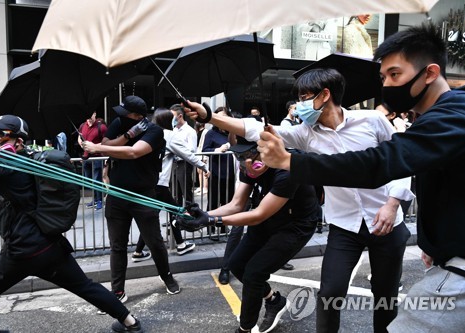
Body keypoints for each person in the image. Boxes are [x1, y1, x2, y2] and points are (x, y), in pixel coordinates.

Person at [256, 23, 465, 333]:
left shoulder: (454, 114)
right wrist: (436, 244)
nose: (387, 85)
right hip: (389, 239)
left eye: (395, 75)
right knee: (331, 293)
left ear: (431, 73)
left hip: (456, 271)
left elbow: (379, 164)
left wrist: (290, 162)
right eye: (383, 77)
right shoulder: (431, 121)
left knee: (389, 302)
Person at [183, 67, 414, 333]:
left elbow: (402, 160)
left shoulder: (372, 120)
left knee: (385, 297)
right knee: (329, 294)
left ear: (324, 95)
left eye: (305, 97)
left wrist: (392, 203)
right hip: (345, 227)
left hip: (386, 222)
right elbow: (254, 128)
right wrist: (210, 116)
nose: (300, 105)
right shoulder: (306, 133)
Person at [0, 115, 143, 333]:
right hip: (48, 246)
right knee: (85, 286)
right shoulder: (25, 159)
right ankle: (131, 323)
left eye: (0, 134)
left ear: (17, 139)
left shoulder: (9, 164)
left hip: (22, 251)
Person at [176, 142, 321, 333]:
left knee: (254, 273)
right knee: (236, 264)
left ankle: (245, 328)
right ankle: (274, 301)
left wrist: (211, 221)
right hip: (269, 219)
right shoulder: (249, 167)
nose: (244, 170)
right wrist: (203, 215)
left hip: (295, 225)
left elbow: (258, 215)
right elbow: (236, 204)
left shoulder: (287, 171)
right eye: (242, 167)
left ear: (261, 161)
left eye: (247, 166)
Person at [82, 95, 181, 301]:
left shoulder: (154, 132)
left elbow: (134, 152)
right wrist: (127, 134)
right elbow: (108, 141)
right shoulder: (120, 124)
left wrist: (98, 148)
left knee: (154, 242)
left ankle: (167, 277)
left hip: (143, 194)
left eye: (125, 114)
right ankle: (117, 291)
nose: (120, 117)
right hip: (117, 194)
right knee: (117, 245)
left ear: (137, 116)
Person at [132, 108, 210, 260]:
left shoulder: (147, 133)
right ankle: (177, 246)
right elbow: (188, 154)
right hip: (159, 184)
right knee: (172, 212)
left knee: (159, 213)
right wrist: (204, 166)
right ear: (168, 120)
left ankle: (141, 251)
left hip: (147, 181)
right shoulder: (169, 135)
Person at [202, 106, 236, 239]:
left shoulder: (231, 132)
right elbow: (205, 150)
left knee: (228, 201)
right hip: (216, 172)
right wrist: (218, 150)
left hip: (230, 172)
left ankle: (223, 227)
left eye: (225, 116)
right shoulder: (211, 133)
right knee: (214, 202)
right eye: (220, 116)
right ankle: (210, 228)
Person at [170, 104, 198, 206]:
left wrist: (177, 151)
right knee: (174, 194)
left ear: (180, 116)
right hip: (173, 164)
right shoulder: (173, 130)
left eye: (172, 116)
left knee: (186, 193)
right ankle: (175, 219)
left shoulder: (190, 131)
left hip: (185, 163)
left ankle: (191, 218)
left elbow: (192, 150)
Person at [78, 112, 107, 210]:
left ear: (95, 114)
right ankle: (95, 199)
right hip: (86, 157)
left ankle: (100, 200)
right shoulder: (83, 126)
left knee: (96, 179)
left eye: (91, 117)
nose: (89, 120)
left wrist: (93, 146)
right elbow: (79, 136)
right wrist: (81, 143)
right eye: (87, 118)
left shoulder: (101, 127)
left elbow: (106, 141)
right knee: (89, 179)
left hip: (97, 157)